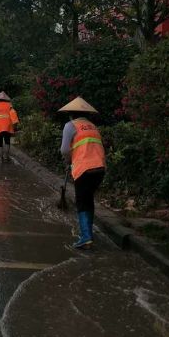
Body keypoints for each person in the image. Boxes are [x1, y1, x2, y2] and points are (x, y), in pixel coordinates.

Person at [58, 96, 106, 249]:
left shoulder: (70, 125)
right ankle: (88, 234)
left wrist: (68, 161)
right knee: (88, 199)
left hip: (84, 168)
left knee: (81, 201)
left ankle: (86, 237)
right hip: (100, 169)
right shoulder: (92, 126)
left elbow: (65, 150)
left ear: (71, 113)